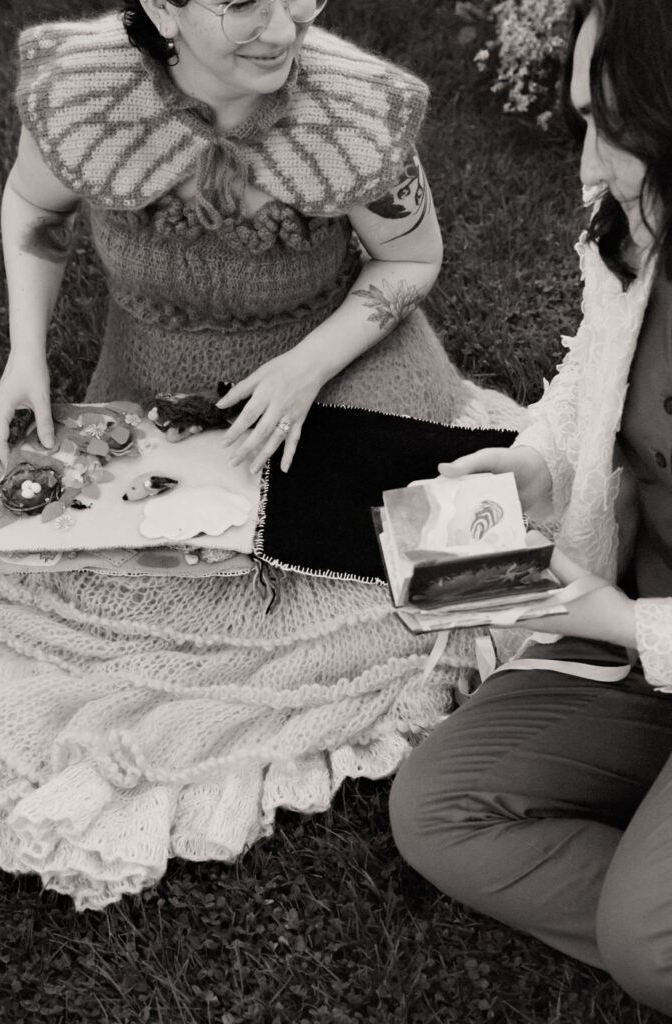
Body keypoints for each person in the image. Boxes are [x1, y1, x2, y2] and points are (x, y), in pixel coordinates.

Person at [0, 0, 521, 909]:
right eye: (240, 2)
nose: (281, 26)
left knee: (448, 571)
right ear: (161, 6)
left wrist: (305, 368)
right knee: (159, 573)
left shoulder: (357, 110)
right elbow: (34, 212)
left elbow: (410, 258)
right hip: (170, 383)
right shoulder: (81, 92)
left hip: (342, 365)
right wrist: (25, 355)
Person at [390, 0, 672, 1013]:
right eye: (580, 120)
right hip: (648, 643)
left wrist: (601, 615)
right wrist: (522, 472)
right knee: (438, 810)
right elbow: (585, 391)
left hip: (635, 626)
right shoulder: (637, 236)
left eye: (614, 124)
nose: (587, 164)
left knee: (646, 944)